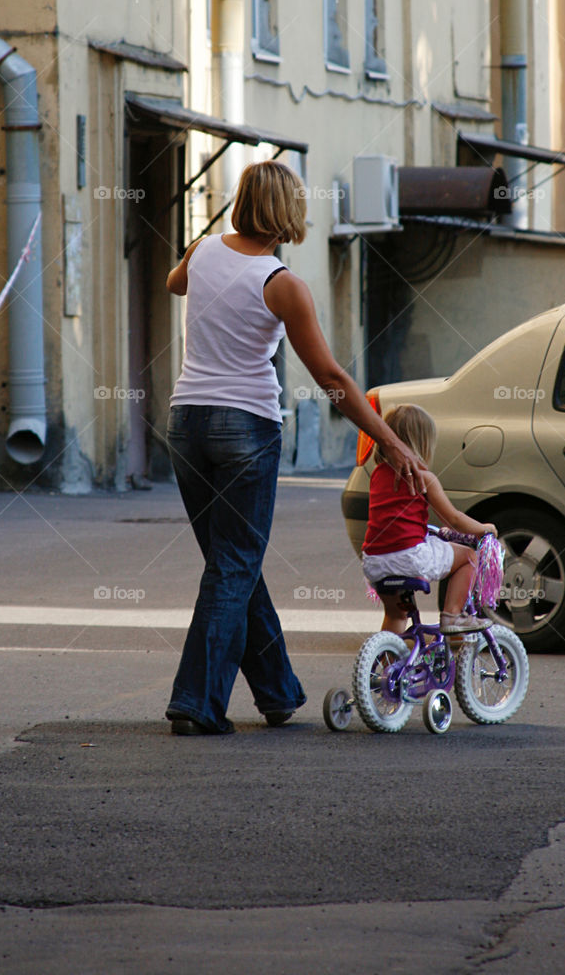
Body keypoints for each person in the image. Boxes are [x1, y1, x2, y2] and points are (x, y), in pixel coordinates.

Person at [164, 160, 428, 736]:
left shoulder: (203, 251)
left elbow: (173, 283)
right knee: (235, 564)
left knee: (233, 562)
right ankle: (196, 703)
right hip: (245, 430)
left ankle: (278, 692)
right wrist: (389, 441)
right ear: (288, 213)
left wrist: (205, 253)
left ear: (241, 202)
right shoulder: (283, 285)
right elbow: (331, 377)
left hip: (186, 425)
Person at [360, 403, 498, 635]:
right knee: (468, 557)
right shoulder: (424, 479)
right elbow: (453, 519)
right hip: (410, 557)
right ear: (423, 444)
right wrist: (483, 529)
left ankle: (385, 667)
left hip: (375, 561)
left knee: (396, 614)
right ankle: (452, 616)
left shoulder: (378, 474)